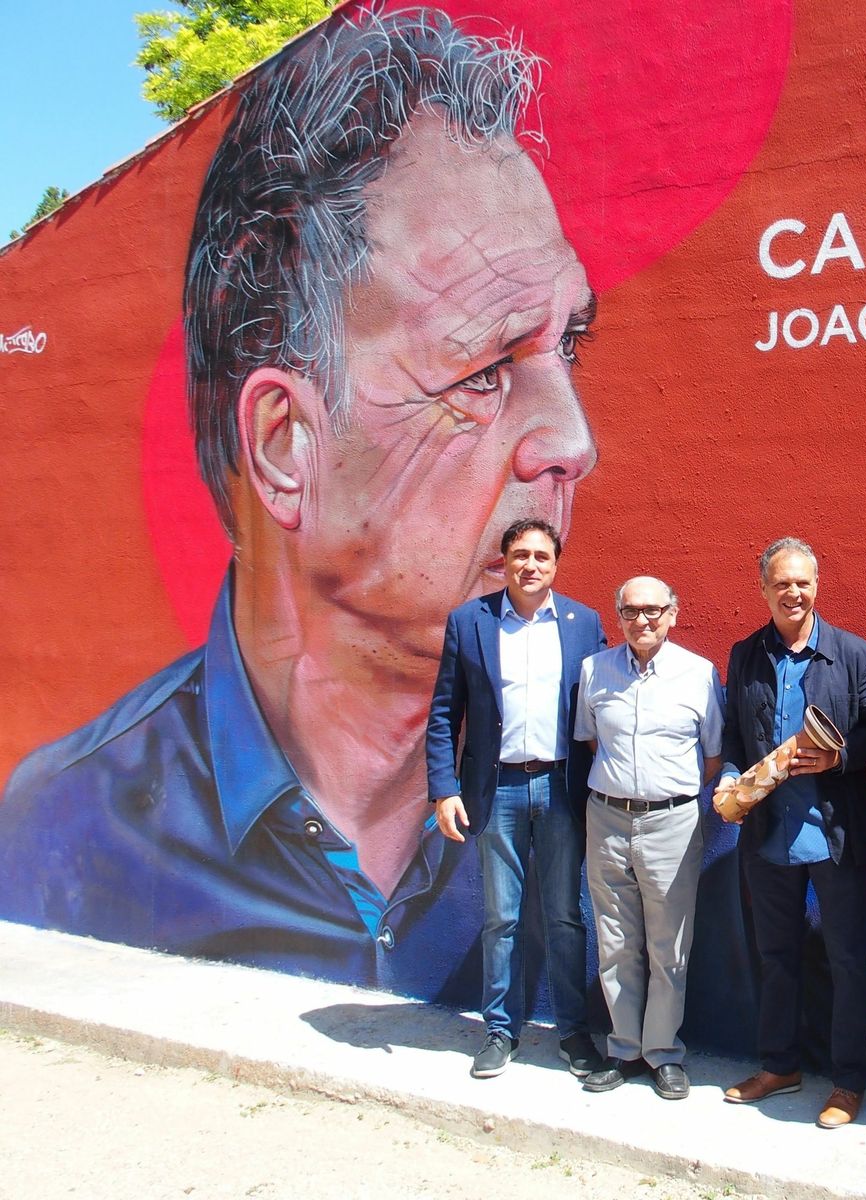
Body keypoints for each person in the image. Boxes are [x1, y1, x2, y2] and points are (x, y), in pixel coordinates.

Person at [0, 9, 598, 1004]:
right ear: (285, 445)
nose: (574, 442)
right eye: (486, 370)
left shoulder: (670, 826)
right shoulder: (66, 830)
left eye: (567, 344)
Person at [717, 538, 866, 1128]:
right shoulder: (745, 655)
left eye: (803, 583)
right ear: (763, 588)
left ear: (818, 586)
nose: (793, 593)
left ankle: (848, 1083)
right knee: (776, 956)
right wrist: (727, 782)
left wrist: (839, 758)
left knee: (848, 959)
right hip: (769, 832)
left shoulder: (854, 654)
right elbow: (737, 741)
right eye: (781, 583)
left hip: (835, 832)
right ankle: (779, 1065)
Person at [427, 519, 606, 1079]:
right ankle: (500, 1030)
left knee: (564, 916)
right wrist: (443, 789)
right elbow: (442, 714)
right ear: (502, 561)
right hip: (495, 788)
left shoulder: (583, 624)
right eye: (520, 555)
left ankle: (573, 1032)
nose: (531, 565)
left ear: (557, 564)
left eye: (542, 556)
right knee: (501, 917)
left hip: (560, 788)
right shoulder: (469, 621)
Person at [575, 577, 724, 1100]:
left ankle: (662, 1052)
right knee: (616, 942)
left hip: (672, 823)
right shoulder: (595, 671)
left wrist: (664, 795)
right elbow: (592, 741)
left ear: (673, 614)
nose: (643, 620)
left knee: (669, 947)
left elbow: (712, 757)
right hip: (607, 818)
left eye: (653, 611)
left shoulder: (699, 675)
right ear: (618, 616)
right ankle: (622, 1048)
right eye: (631, 611)